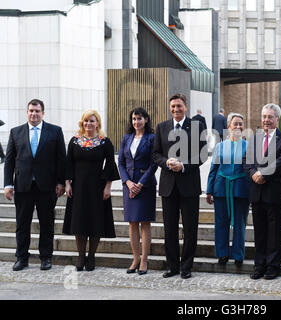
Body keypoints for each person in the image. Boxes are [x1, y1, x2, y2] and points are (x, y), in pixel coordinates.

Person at [4, 99, 66, 271]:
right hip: (23, 187)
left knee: (47, 224)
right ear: (27, 112)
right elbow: (9, 160)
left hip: (47, 187)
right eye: (31, 110)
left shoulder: (55, 131)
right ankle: (21, 258)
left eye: (37, 111)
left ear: (43, 113)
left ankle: (46, 258)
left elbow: (61, 159)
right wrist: (8, 184)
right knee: (22, 224)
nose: (34, 114)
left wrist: (61, 182)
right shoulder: (15, 132)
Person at [153, 93, 207, 279]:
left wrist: (183, 166)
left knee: (190, 228)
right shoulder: (162, 127)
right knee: (169, 228)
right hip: (168, 186)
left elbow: (202, 155)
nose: (176, 109)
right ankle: (172, 266)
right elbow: (156, 154)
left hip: (189, 184)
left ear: (186, 107)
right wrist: (167, 162)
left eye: (179, 106)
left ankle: (186, 267)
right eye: (173, 106)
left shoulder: (196, 126)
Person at [63, 110, 120, 272]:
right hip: (78, 187)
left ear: (98, 123)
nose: (88, 124)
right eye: (86, 121)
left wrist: (108, 187)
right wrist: (67, 184)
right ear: (82, 123)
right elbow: (68, 163)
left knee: (96, 221)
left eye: (92, 121)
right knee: (79, 221)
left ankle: (92, 255)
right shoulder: (74, 141)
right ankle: (81, 255)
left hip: (98, 187)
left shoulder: (104, 142)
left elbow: (110, 165)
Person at [243, 104, 281, 280]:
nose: (266, 120)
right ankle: (259, 265)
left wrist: (263, 174)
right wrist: (253, 174)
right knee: (260, 232)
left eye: (270, 117)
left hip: (274, 193)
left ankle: (273, 266)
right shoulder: (254, 139)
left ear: (277, 119)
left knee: (275, 232)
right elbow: (246, 161)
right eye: (264, 117)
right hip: (256, 193)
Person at [206, 113, 250, 266]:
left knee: (240, 223)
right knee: (221, 222)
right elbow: (213, 169)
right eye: (235, 124)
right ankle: (222, 253)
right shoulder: (219, 146)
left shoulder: (248, 146)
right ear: (228, 127)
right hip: (221, 188)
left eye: (240, 124)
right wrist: (209, 190)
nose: (238, 127)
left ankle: (238, 254)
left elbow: (252, 169)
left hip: (241, 188)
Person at [118, 107, 158, 275]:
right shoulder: (126, 138)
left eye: (139, 119)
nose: (136, 122)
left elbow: (154, 163)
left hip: (145, 185)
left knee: (145, 223)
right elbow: (120, 162)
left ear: (146, 120)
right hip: (129, 186)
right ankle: (135, 258)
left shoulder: (151, 138)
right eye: (134, 119)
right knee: (132, 223)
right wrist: (127, 182)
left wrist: (140, 184)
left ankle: (144, 260)